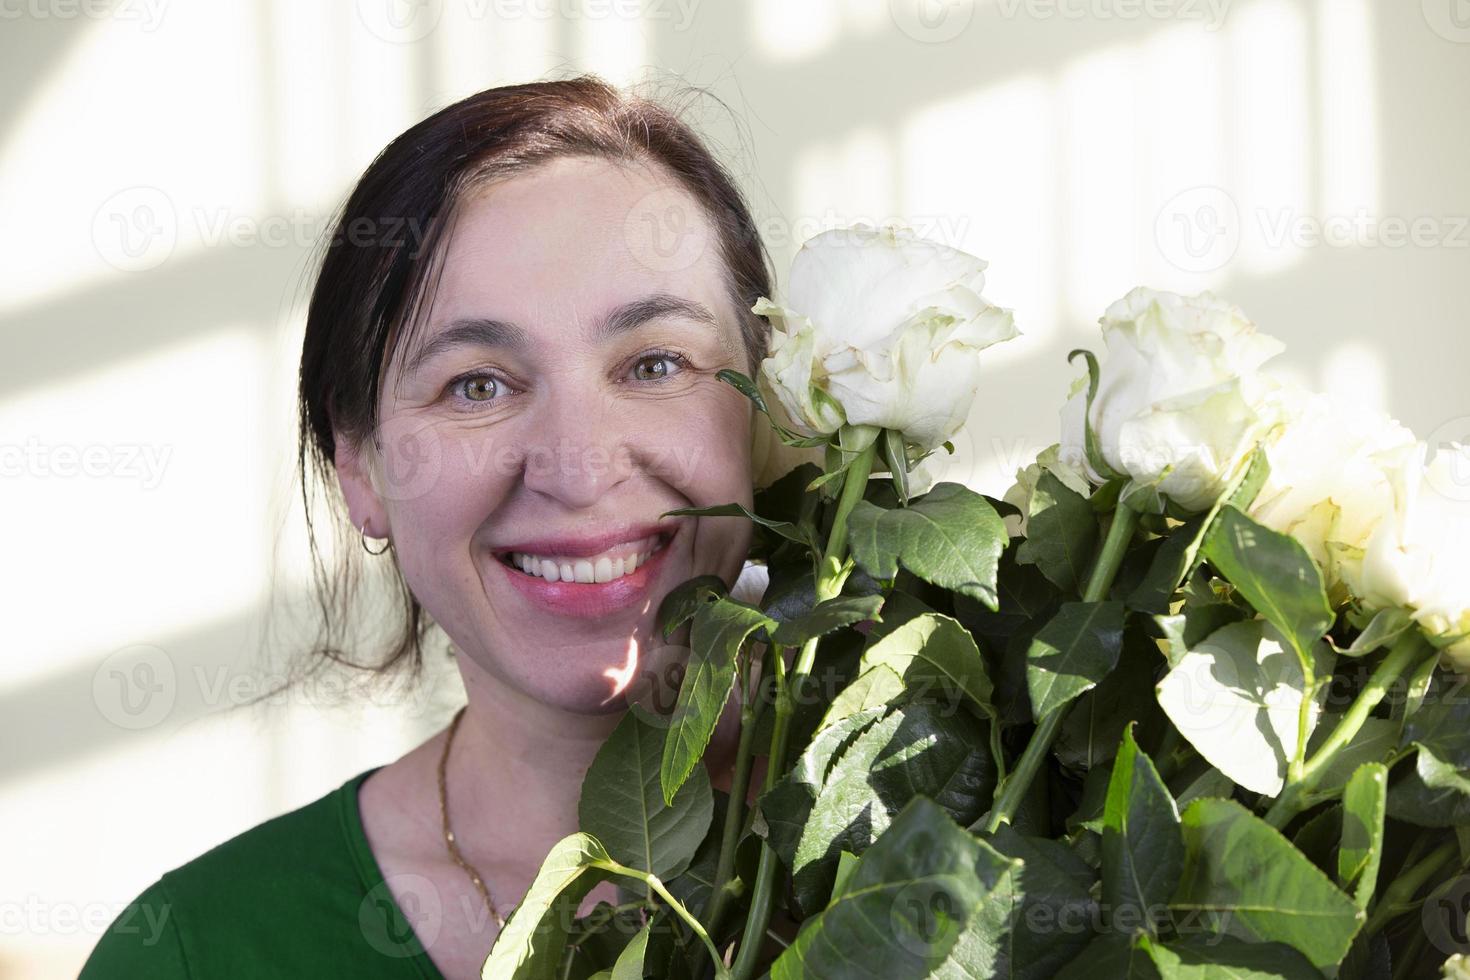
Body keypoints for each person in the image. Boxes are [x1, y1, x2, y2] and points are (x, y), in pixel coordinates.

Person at [79, 73, 781, 979]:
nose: (576, 466)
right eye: (477, 384)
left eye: (654, 364)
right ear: (360, 466)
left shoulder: (985, 831)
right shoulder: (201, 950)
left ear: (777, 403)